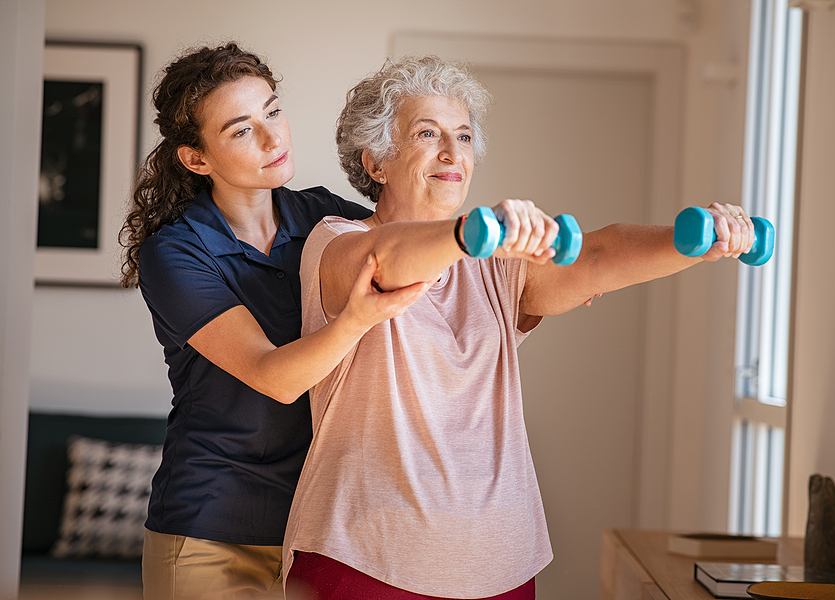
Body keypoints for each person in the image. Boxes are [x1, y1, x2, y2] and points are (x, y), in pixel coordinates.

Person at [282, 55, 756, 600]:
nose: (451, 152)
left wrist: (695, 241)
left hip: (500, 566)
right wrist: (472, 233)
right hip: (365, 560)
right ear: (376, 163)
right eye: (427, 133)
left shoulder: (494, 263)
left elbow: (598, 255)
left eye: (463, 137)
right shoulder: (336, 240)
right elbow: (386, 261)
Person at [118, 43, 429, 600]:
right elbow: (276, 377)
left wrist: (518, 285)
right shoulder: (176, 253)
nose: (272, 137)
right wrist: (356, 318)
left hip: (314, 526)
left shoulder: (321, 215)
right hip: (211, 530)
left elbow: (407, 255)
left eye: (273, 111)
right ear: (196, 158)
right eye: (241, 130)